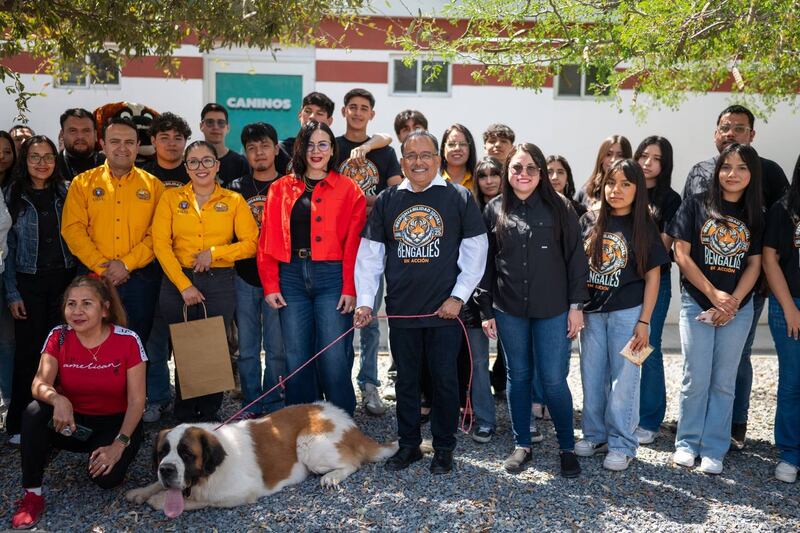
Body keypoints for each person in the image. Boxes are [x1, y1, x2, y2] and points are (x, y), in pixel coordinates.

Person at [354, 129, 488, 474]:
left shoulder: (459, 197)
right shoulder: (387, 200)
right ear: (402, 162)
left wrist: (458, 298)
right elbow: (370, 255)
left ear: (438, 160)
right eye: (411, 156)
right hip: (402, 311)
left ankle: (444, 447)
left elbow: (476, 252)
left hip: (445, 311)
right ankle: (409, 445)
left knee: (444, 380)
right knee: (407, 381)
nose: (418, 162)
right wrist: (366, 302)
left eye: (426, 155)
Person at [682, 105, 789, 450]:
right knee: (696, 370)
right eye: (725, 127)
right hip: (701, 289)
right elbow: (685, 236)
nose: (731, 133)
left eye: (739, 128)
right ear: (716, 132)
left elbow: (776, 231)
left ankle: (734, 426)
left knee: (734, 360)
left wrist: (734, 301)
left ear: (752, 136)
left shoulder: (769, 174)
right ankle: (692, 434)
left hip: (746, 291)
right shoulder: (699, 172)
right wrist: (709, 292)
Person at [479, 143, 588, 478]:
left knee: (554, 380)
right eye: (516, 168)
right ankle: (521, 444)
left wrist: (576, 306)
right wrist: (486, 311)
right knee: (519, 376)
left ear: (540, 172)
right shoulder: (494, 209)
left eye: (530, 168)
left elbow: (576, 260)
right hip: (509, 309)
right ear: (507, 172)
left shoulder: (561, 208)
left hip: (554, 310)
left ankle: (567, 448)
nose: (522, 174)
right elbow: (485, 264)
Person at [10, 275, 145, 530]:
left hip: (114, 425)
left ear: (105, 309)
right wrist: (57, 398)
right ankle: (32, 495)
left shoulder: (127, 340)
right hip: (71, 420)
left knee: (106, 481)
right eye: (71, 304)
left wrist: (119, 444)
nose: (77, 311)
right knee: (34, 411)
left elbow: (138, 401)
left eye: (86, 304)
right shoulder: (59, 335)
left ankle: (108, 452)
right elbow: (38, 384)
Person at [668, 143, 764, 475]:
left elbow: (755, 263)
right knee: (695, 377)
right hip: (696, 302)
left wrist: (733, 300)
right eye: (726, 167)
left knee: (724, 381)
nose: (732, 174)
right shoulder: (695, 205)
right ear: (717, 170)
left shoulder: (756, 214)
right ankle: (686, 443)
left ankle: (714, 448)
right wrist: (713, 294)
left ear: (752, 174)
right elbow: (681, 254)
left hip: (738, 309)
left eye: (741, 168)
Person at [258, 121, 365, 416]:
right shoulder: (280, 189)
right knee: (296, 354)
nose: (316, 151)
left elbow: (354, 244)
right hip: (290, 275)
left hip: (332, 276)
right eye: (310, 144)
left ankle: (340, 420)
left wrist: (349, 287)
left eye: (323, 144)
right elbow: (266, 239)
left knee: (333, 354)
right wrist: (271, 284)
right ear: (300, 149)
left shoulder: (349, 189)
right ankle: (301, 421)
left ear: (333, 150)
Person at [153, 140, 258, 422]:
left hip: (219, 281)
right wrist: (184, 285)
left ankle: (210, 415)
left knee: (213, 348)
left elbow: (251, 243)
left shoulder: (233, 200)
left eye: (207, 161)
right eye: (194, 162)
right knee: (186, 349)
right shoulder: (171, 199)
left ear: (217, 165)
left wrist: (215, 253)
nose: (201, 167)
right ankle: (184, 415)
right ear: (186, 167)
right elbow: (160, 245)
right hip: (178, 281)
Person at [576, 159, 669, 471]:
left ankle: (622, 444)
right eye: (611, 183)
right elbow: (576, 268)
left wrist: (645, 321)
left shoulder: (645, 226)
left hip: (629, 315)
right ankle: (595, 434)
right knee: (591, 377)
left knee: (625, 381)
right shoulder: (589, 220)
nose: (616, 190)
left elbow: (654, 277)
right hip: (592, 314)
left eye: (626, 184)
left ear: (637, 189)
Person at [61, 116, 164, 347]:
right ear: (103, 144)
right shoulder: (82, 183)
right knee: (90, 343)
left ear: (138, 146)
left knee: (135, 346)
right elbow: (72, 230)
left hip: (140, 280)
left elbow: (157, 234)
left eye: (129, 142)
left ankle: (134, 385)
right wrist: (102, 267)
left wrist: (126, 264)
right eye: (115, 141)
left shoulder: (154, 186)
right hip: (92, 277)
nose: (122, 148)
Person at [3, 135, 76, 446]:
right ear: (25, 160)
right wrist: (13, 293)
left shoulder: (67, 191)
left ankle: (59, 419)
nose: (43, 163)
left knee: (63, 352)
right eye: (35, 157)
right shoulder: (11, 195)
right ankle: (19, 422)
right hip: (28, 283)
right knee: (29, 354)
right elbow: (7, 248)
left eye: (48, 157)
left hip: (64, 280)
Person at [336, 88, 400, 416]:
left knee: (370, 318)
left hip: (373, 241)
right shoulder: (332, 147)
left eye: (364, 108)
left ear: (371, 114)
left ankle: (370, 384)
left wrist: (366, 200)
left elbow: (395, 189)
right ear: (344, 111)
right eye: (353, 108)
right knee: (341, 317)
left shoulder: (383, 151)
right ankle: (339, 386)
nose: (358, 113)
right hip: (337, 242)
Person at [227, 123, 286, 417]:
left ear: (276, 149)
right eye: (251, 148)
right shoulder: (235, 189)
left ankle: (274, 401)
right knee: (248, 348)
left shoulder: (289, 185)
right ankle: (251, 402)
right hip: (244, 276)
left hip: (279, 278)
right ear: (245, 153)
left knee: (277, 348)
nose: (258, 152)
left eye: (264, 146)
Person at [139, 111, 192, 423]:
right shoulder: (142, 175)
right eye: (164, 137)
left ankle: (189, 401)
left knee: (190, 340)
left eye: (177, 137)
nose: (171, 143)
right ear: (153, 141)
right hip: (151, 269)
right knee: (154, 341)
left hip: (188, 269)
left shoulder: (195, 170)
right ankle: (158, 397)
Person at [633, 136, 682, 445]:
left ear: (665, 165)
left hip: (655, 280)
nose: (648, 162)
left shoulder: (670, 199)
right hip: (621, 281)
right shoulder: (626, 188)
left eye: (656, 158)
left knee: (647, 348)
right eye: (643, 155)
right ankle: (625, 413)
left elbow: (663, 247)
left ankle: (650, 419)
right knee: (622, 350)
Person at [761, 153, 800, 484]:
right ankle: (790, 453)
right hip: (790, 304)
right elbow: (770, 261)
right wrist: (789, 307)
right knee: (792, 383)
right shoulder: (784, 208)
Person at [276, 91, 336, 176]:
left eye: (319, 113)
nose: (312, 116)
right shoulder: (282, 149)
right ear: (300, 115)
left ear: (329, 121)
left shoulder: (336, 149)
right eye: (307, 111)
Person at [199, 103, 249, 186]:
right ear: (201, 126)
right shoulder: (192, 161)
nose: (215, 127)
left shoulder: (240, 163)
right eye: (210, 122)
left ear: (228, 127)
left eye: (221, 123)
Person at [576, 135, 632, 210]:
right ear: (601, 158)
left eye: (620, 155)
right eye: (608, 154)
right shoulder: (587, 190)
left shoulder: (635, 189)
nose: (613, 160)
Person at [56, 108, 106, 181]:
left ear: (95, 135)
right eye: (73, 131)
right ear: (62, 134)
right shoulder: (51, 167)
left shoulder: (110, 165)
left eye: (86, 131)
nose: (80, 136)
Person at [440, 124, 477, 190]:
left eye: (463, 144)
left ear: (470, 149)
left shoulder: (479, 181)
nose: (457, 148)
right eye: (451, 144)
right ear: (443, 149)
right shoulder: (433, 180)